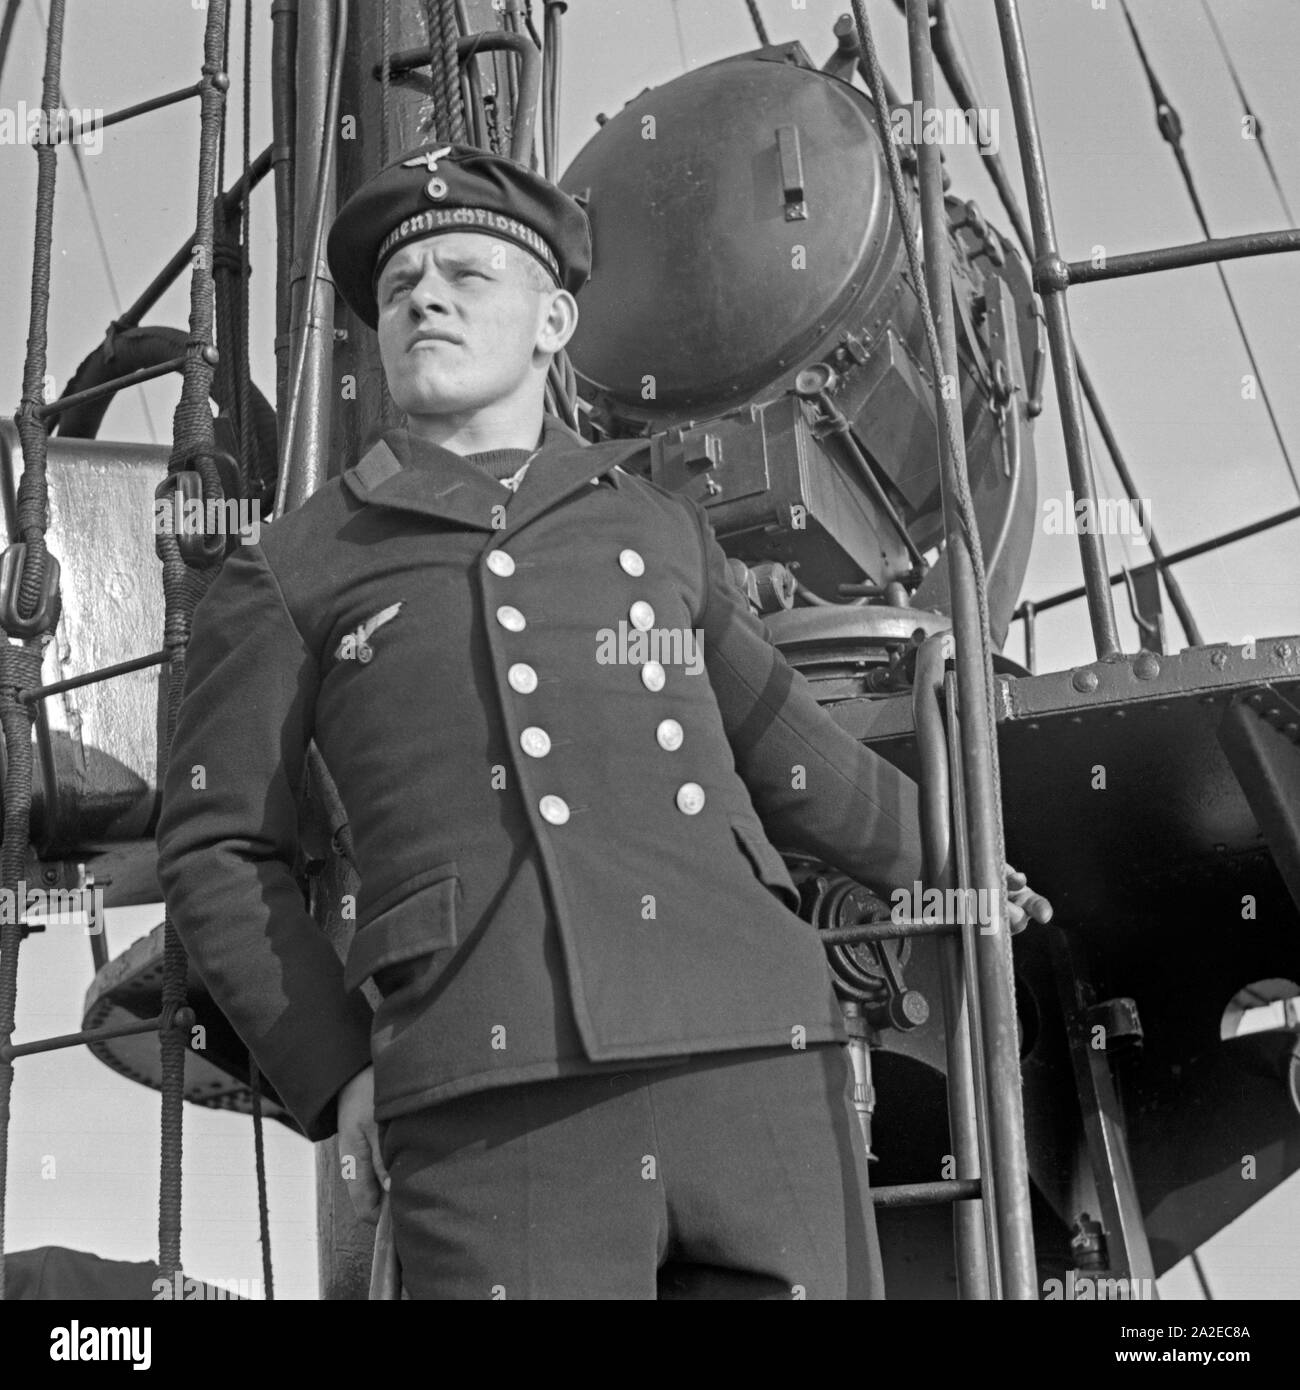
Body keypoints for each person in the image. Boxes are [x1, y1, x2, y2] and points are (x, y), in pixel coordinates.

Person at [155, 141, 1049, 1300]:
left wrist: (968, 864)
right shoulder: (292, 566)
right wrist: (335, 1076)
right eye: (397, 290)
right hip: (492, 1094)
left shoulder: (658, 530)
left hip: (758, 1053)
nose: (423, 298)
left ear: (553, 321)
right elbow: (216, 846)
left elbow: (792, 762)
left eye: (467, 276)